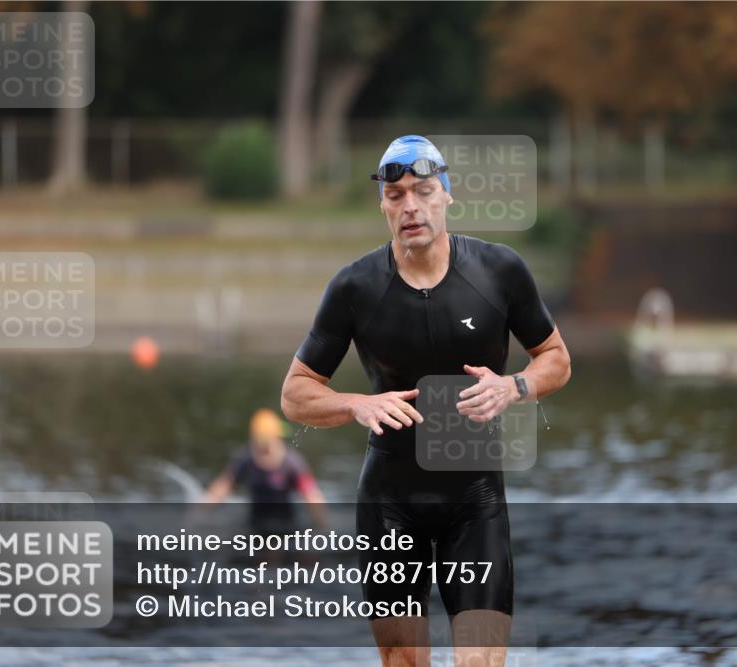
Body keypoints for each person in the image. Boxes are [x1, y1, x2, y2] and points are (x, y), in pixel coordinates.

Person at [281, 135, 571, 667]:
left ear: (447, 196)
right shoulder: (355, 288)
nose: (410, 206)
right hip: (390, 503)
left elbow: (555, 358)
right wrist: (355, 404)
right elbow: (295, 394)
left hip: (475, 502)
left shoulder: (499, 270)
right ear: (383, 206)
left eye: (423, 191)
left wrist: (513, 386)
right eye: (395, 196)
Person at [203, 408, 327, 530]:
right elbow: (221, 487)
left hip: (286, 525)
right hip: (255, 524)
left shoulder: (291, 462)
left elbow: (311, 495)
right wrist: (201, 513)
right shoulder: (245, 460)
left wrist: (322, 525)